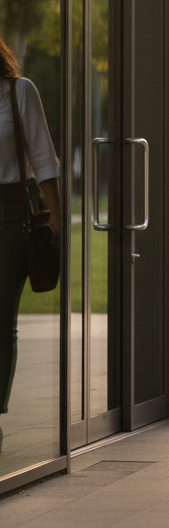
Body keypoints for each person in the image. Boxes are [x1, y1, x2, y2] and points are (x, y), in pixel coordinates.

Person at [0, 31, 60, 456]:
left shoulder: (19, 92)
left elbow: (43, 156)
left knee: (1, 317)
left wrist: (56, 214)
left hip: (11, 214)